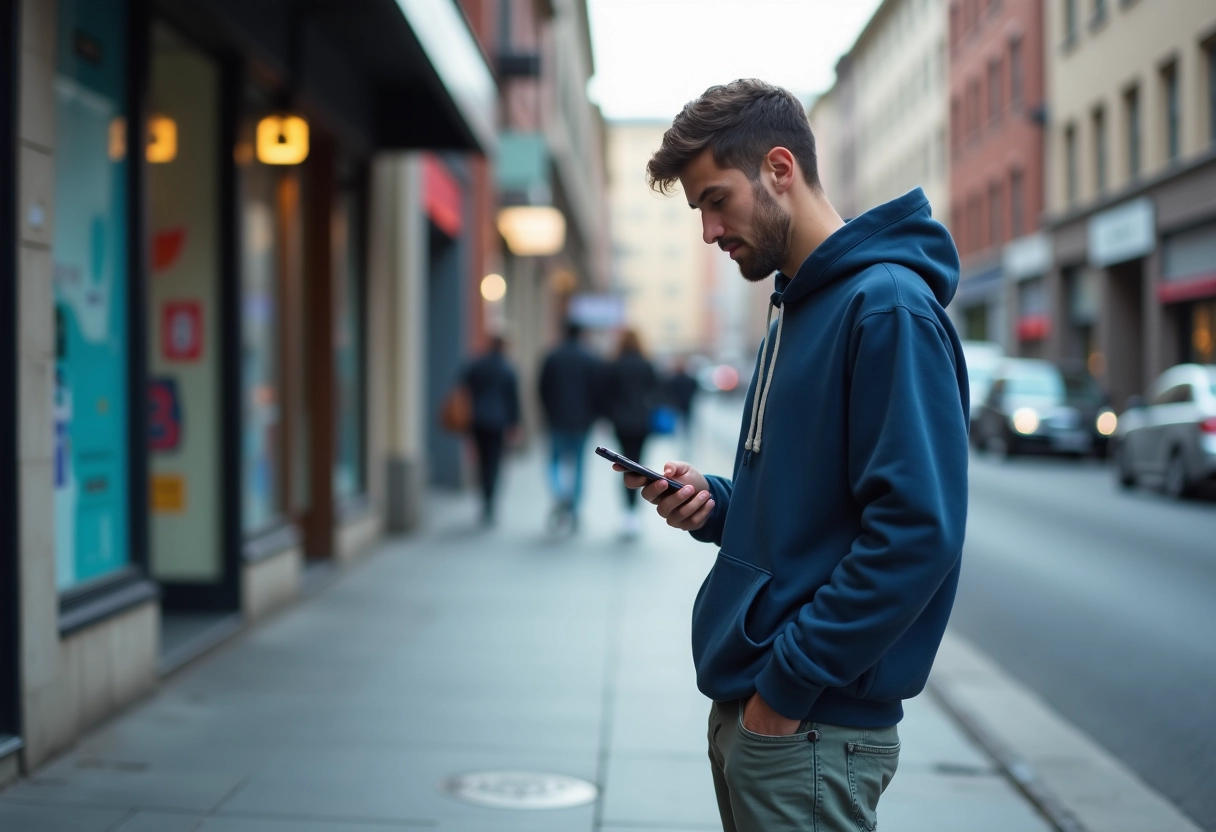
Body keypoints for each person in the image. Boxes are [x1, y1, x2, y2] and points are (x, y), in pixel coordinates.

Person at [615, 79, 969, 832]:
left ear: (780, 169)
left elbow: (916, 535)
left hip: (809, 725)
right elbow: (811, 512)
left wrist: (785, 691)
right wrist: (716, 505)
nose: (708, 232)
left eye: (716, 201)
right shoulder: (796, 304)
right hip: (769, 715)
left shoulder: (887, 308)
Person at [538, 321, 604, 532]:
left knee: (555, 461)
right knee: (579, 465)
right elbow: (597, 391)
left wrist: (548, 412)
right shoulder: (589, 358)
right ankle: (573, 508)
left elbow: (541, 388)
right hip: (582, 422)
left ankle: (560, 496)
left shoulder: (552, 357)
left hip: (557, 419)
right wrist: (594, 416)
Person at [605, 329, 658, 540]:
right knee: (639, 464)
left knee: (624, 463)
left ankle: (627, 511)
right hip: (642, 420)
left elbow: (606, 394)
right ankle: (634, 512)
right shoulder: (646, 364)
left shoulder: (615, 365)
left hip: (621, 422)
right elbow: (656, 390)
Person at [461, 336, 520, 525]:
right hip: (498, 421)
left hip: (477, 420)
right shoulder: (506, 368)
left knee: (482, 460)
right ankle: (490, 500)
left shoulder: (477, 365)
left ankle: (484, 497)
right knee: (494, 462)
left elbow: (463, 385)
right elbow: (513, 398)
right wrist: (514, 423)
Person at [665, 358, 699, 457]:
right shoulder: (690, 379)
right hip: (687, 406)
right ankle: (686, 448)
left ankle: (680, 446)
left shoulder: (674, 379)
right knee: (686, 429)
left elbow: (668, 391)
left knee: (678, 428)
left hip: (677, 406)